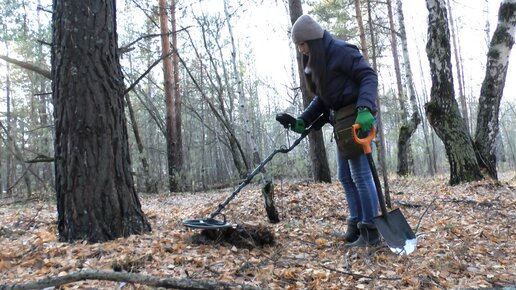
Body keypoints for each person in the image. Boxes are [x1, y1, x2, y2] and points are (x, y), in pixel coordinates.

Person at [288, 14, 380, 247]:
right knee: (345, 177)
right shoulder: (318, 61)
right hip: (341, 122)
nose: (301, 50)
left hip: (358, 119)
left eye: (302, 44)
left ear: (312, 40)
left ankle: (370, 233)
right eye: (298, 46)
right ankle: (356, 226)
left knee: (360, 175)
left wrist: (365, 108)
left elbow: (368, 76)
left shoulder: (341, 50)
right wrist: (303, 120)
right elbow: (322, 99)